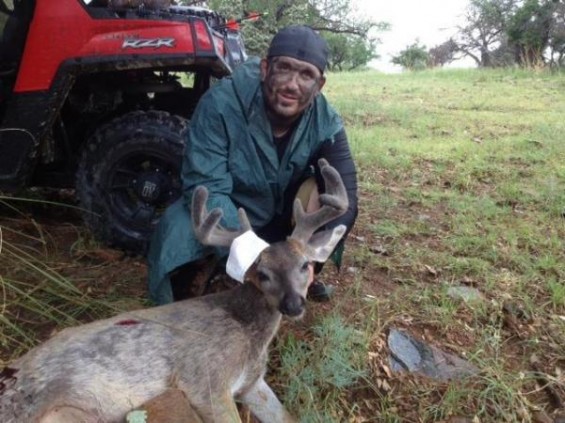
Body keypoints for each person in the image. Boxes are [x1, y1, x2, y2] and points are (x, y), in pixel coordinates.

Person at [147, 25, 358, 305]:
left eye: (306, 75)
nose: (292, 85)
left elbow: (346, 198)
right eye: (284, 68)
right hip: (233, 215)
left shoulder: (325, 121)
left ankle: (289, 274)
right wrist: (258, 257)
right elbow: (206, 184)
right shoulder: (221, 103)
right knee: (181, 230)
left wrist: (306, 266)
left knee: (325, 197)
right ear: (264, 69)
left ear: (319, 86)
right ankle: (222, 271)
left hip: (284, 219)